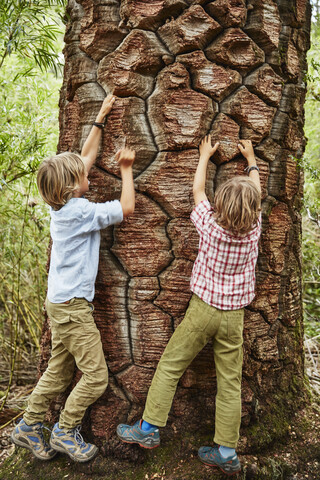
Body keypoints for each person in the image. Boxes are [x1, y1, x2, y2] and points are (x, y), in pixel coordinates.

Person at [117, 136, 261, 476]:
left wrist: (204, 157)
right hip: (234, 317)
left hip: (202, 311)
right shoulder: (255, 229)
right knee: (230, 383)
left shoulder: (211, 226)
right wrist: (251, 160)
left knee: (170, 365)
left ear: (220, 207)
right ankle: (226, 450)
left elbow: (198, 193)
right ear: (254, 210)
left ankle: (149, 429)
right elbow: (255, 193)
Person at [11, 94, 136, 463]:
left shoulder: (61, 206)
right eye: (83, 176)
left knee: (58, 371)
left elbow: (86, 157)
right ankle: (65, 429)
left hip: (60, 303)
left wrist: (100, 116)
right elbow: (126, 208)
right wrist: (126, 169)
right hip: (72, 309)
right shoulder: (81, 212)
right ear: (72, 188)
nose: (88, 173)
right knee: (95, 377)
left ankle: (28, 425)